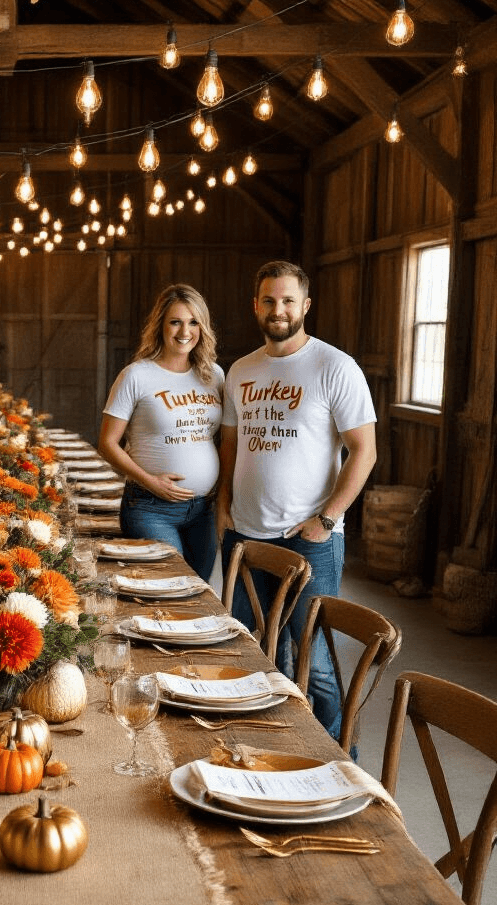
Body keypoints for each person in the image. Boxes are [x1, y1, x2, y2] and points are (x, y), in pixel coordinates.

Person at [216, 260, 377, 740]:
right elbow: (231, 445)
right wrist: (223, 507)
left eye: (288, 300)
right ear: (256, 306)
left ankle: (340, 767)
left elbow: (364, 451)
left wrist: (326, 520)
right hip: (245, 535)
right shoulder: (241, 370)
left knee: (317, 663)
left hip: (307, 539)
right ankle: (264, 749)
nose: (278, 309)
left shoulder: (334, 366)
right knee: (252, 653)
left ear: (305, 305)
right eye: (269, 300)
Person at [98, 283, 224, 581]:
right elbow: (107, 443)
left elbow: (222, 438)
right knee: (169, 585)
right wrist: (151, 482)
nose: (185, 331)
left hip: (203, 509)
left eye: (194, 322)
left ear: (203, 328)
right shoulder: (136, 375)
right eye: (175, 321)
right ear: (160, 326)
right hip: (150, 507)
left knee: (196, 594)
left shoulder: (214, 375)